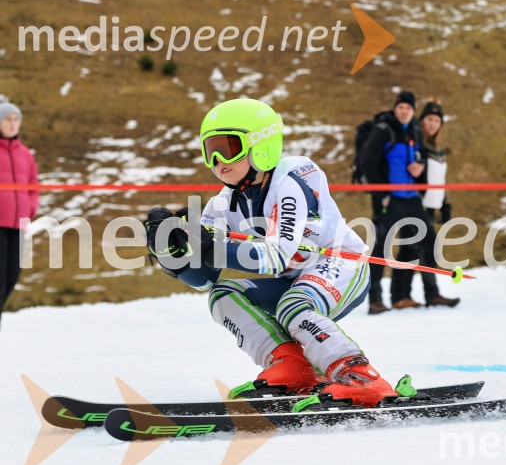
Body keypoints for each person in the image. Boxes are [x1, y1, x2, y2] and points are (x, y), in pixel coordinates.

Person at [144, 98, 398, 408]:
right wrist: (176, 257)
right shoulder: (222, 205)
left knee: (293, 305)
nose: (218, 160)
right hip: (295, 277)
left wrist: (213, 247)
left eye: (228, 147)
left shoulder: (289, 183)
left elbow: (276, 257)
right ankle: (292, 367)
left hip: (341, 264)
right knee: (223, 295)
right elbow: (205, 280)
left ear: (261, 145)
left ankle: (359, 375)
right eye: (209, 150)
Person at [360, 91, 458, 312]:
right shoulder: (383, 129)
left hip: (411, 196)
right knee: (380, 247)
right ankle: (375, 300)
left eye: (409, 108)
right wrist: (382, 194)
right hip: (388, 197)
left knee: (428, 240)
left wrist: (420, 165)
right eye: (401, 106)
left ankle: (430, 295)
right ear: (396, 108)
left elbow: (421, 154)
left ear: (413, 111)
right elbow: (367, 161)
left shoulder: (414, 130)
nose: (404, 111)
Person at [395, 99, 459, 308]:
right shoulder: (415, 145)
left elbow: (438, 179)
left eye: (436, 120)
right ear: (421, 121)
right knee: (420, 248)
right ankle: (426, 295)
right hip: (413, 204)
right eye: (429, 119)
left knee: (412, 250)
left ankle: (402, 296)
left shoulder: (436, 149)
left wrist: (444, 203)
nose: (432, 124)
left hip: (431, 205)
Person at [0, 102, 38, 327]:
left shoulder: (25, 154)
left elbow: (33, 187)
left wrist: (30, 209)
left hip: (18, 225)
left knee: (11, 279)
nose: (12, 124)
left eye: (16, 119)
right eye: (7, 119)